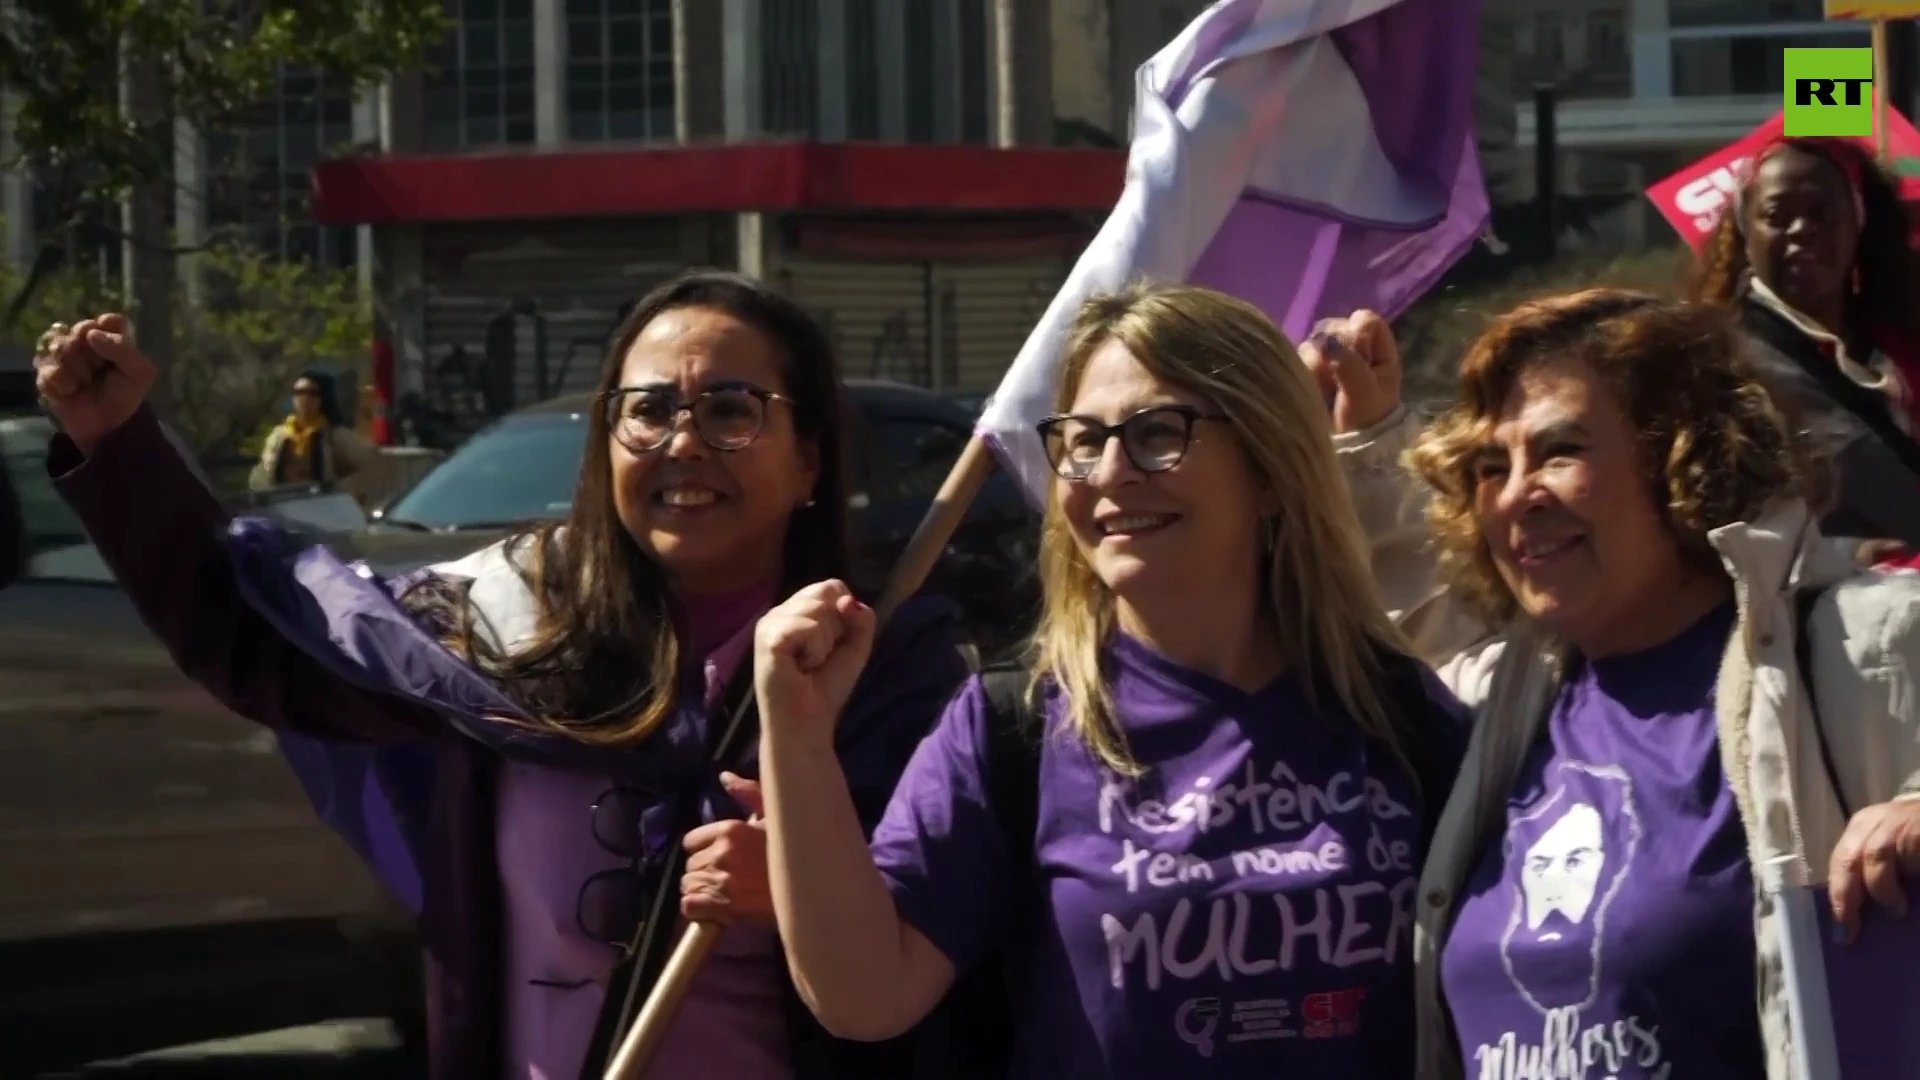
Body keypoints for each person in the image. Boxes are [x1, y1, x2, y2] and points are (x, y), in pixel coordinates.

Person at [32, 271, 972, 1080]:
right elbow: (270, 642)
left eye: (731, 409)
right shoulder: (504, 626)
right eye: (646, 410)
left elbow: (949, 925)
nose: (683, 442)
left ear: (808, 458)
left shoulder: (883, 661)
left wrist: (810, 888)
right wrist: (122, 448)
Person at [749, 281, 1467, 1078]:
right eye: (1083, 442)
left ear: (1270, 471)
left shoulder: (1399, 714)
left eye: (1159, 433)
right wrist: (797, 735)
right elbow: (861, 995)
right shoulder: (1013, 726)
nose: (1112, 471)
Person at [1309, 288, 1920, 1080]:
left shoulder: (1856, 648)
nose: (1517, 492)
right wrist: (1364, 437)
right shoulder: (1500, 704)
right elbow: (1413, 610)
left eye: (1560, 452)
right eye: (1493, 465)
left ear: (1685, 457)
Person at [1693, 134, 1920, 554]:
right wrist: (1845, 554)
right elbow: (1718, 518)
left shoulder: (1898, 336)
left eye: (1822, 213)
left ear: (1857, 223)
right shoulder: (1719, 361)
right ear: (1747, 231)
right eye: (1778, 215)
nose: (1802, 231)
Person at [248, 368, 390, 503]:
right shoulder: (278, 435)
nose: (305, 399)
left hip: (319, 505)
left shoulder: (334, 435)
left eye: (313, 393)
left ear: (323, 398)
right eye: (299, 392)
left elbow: (370, 464)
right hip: (283, 504)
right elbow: (263, 474)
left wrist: (342, 491)